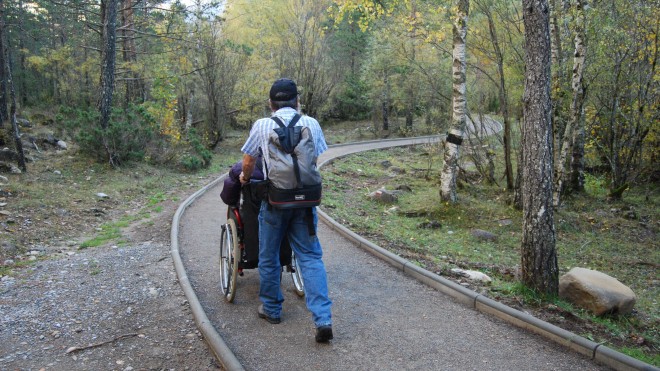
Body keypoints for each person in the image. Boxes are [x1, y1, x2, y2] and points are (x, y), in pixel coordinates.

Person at [239, 78, 333, 343]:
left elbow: (248, 160)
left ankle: (272, 309)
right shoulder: (312, 123)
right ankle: (323, 319)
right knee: (311, 258)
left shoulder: (261, 125)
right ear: (297, 101)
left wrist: (245, 179)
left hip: (275, 201)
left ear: (271, 103)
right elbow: (315, 157)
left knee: (269, 257)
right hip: (305, 204)